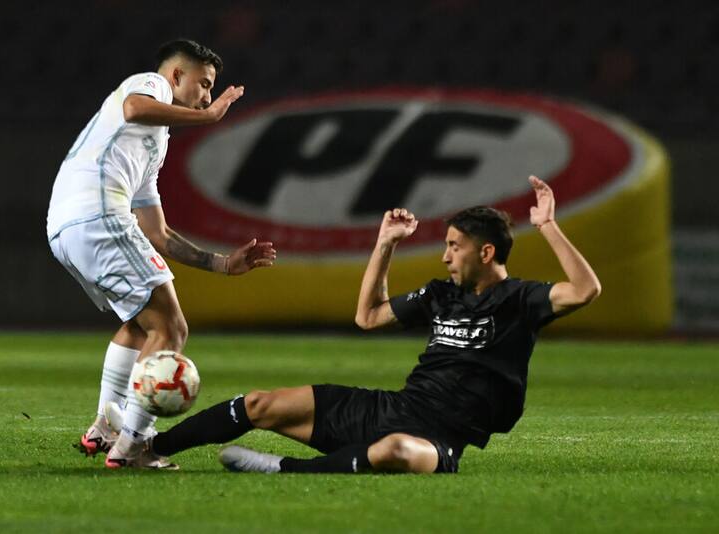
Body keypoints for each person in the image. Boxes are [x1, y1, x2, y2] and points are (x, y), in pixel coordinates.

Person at [112, 175, 600, 473]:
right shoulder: (439, 293)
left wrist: (549, 227)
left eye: (455, 245)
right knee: (259, 403)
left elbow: (585, 290)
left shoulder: (521, 299)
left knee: (396, 454)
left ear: (486, 252)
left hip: (439, 437)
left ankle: (286, 469)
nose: (447, 254)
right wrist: (385, 243)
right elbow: (367, 316)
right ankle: (146, 448)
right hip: (390, 408)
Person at [46, 39, 276, 469]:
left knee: (139, 325)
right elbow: (135, 107)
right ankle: (134, 445)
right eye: (204, 84)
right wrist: (205, 116)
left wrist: (222, 264)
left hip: (66, 226)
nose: (208, 96)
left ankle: (106, 426)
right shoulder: (149, 84)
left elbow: (159, 233)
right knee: (171, 327)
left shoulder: (152, 145)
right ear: (176, 77)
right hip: (96, 213)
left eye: (211, 90)